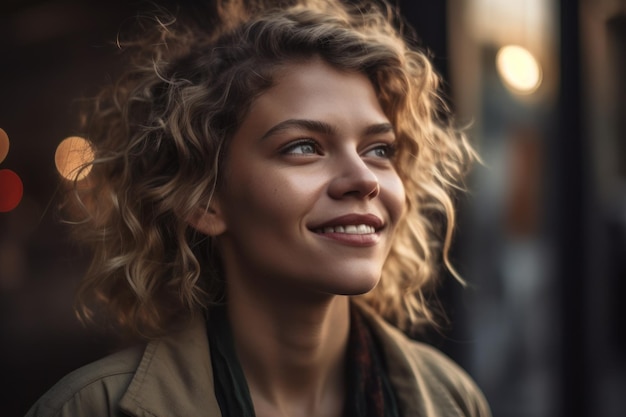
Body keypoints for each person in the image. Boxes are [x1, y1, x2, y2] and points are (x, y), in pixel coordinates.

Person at [26, 0, 491, 416]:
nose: (364, 179)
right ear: (204, 200)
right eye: (305, 147)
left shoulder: (451, 399)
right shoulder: (87, 408)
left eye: (379, 150)